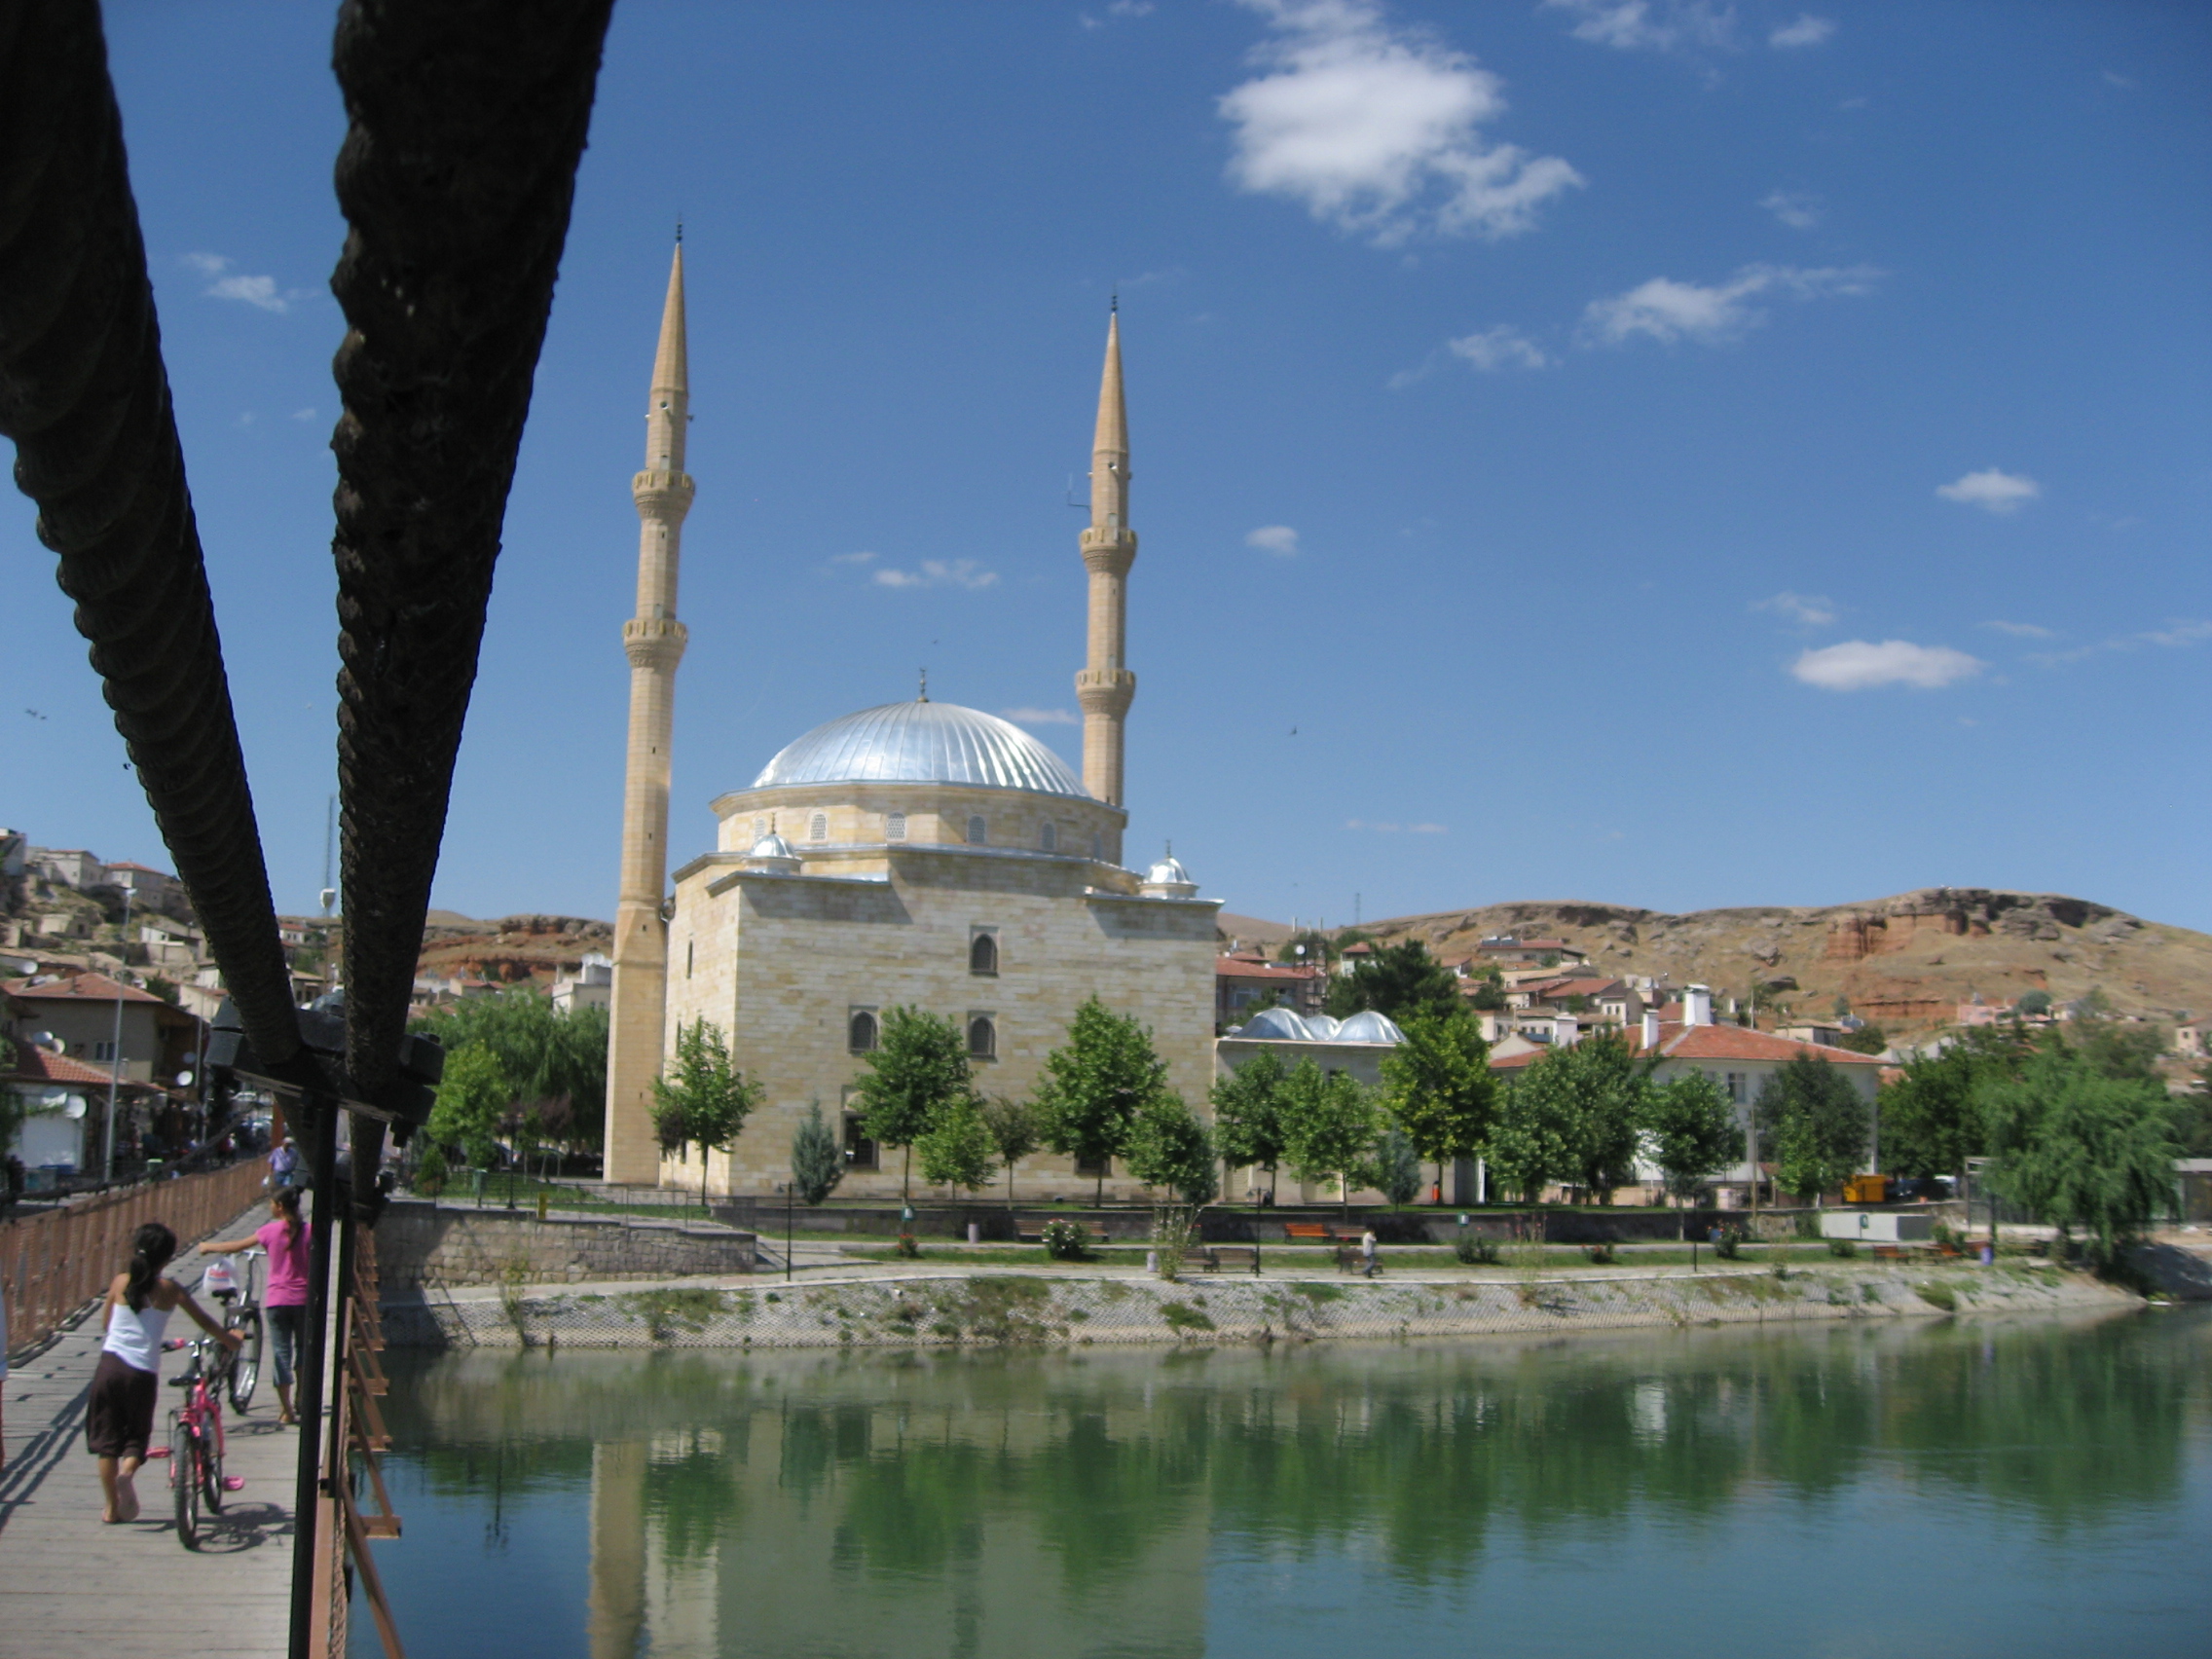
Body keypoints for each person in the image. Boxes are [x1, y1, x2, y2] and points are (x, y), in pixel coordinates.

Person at [89, 1222, 240, 1523]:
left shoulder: (120, 1282)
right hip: (141, 1373)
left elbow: (107, 1325)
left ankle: (112, 1508)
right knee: (135, 1437)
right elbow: (206, 1322)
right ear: (168, 1258)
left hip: (109, 1367)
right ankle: (127, 1473)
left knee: (107, 1443)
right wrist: (231, 1340)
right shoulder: (171, 1290)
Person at [202, 1187, 311, 1423]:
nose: (269, 1207)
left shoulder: (270, 1231)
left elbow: (236, 1246)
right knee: (304, 1350)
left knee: (281, 1353)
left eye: (271, 1204)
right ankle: (302, 1397)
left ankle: (287, 1410)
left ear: (279, 1207)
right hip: (304, 1301)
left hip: (277, 1301)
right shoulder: (309, 1231)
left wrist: (208, 1247)